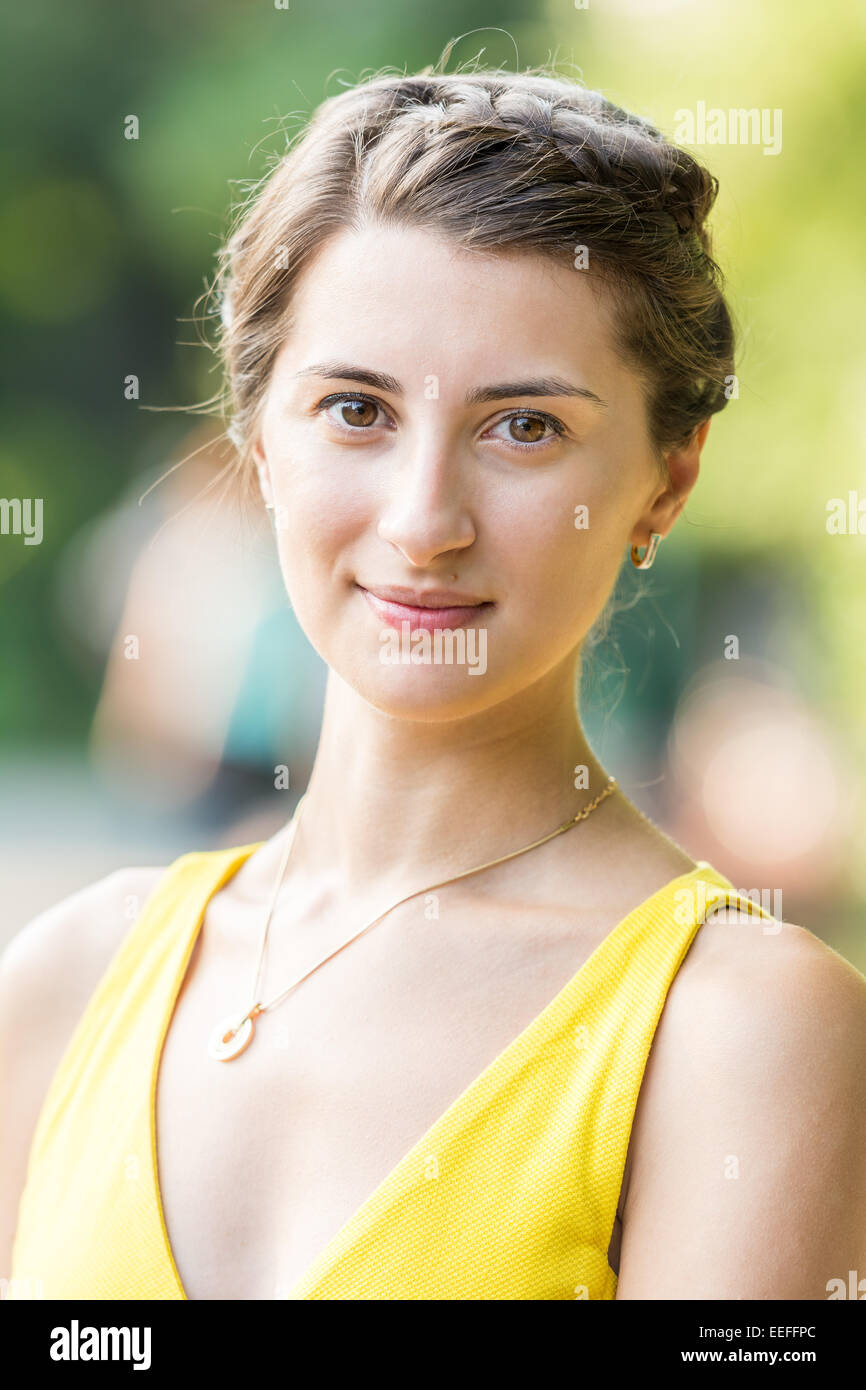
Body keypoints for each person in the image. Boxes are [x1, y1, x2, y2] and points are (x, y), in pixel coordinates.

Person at [3, 64, 865, 1303]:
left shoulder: (742, 1029)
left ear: (667, 479)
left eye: (522, 427)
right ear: (259, 442)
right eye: (355, 409)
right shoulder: (62, 982)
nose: (422, 523)